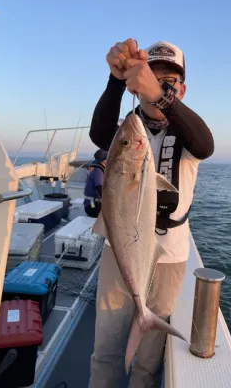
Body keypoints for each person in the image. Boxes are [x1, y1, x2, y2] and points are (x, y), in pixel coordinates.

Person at [88, 39, 214, 388]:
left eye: (167, 82)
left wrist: (159, 96)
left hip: (169, 257)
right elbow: (100, 133)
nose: (157, 87)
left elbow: (206, 144)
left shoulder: (186, 132)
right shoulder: (130, 131)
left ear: (180, 90)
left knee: (146, 363)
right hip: (120, 254)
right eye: (150, 78)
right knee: (106, 349)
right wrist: (116, 80)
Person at [83, 149, 107, 218]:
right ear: (104, 160)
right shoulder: (98, 171)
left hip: (93, 203)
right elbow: (99, 188)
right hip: (92, 206)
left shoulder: (98, 169)